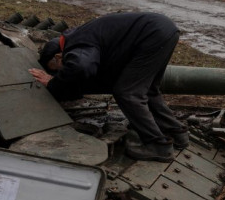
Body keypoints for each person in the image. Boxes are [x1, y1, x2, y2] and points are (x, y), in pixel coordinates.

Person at [28, 12, 189, 162]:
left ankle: (159, 146)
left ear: (58, 56)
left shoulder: (76, 44)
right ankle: (177, 133)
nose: (58, 72)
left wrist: (52, 83)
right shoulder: (81, 35)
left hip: (152, 33)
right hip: (162, 29)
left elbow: (80, 67)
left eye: (55, 69)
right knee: (149, 91)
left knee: (127, 93)